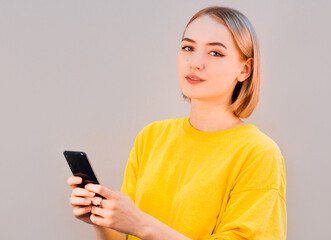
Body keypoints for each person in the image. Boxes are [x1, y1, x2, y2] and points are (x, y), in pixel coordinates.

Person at [67, 6, 287, 240]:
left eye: (215, 53)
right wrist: (100, 217)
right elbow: (126, 235)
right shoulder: (152, 137)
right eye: (188, 48)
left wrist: (142, 224)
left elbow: (139, 226)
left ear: (244, 69)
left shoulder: (259, 153)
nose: (195, 63)